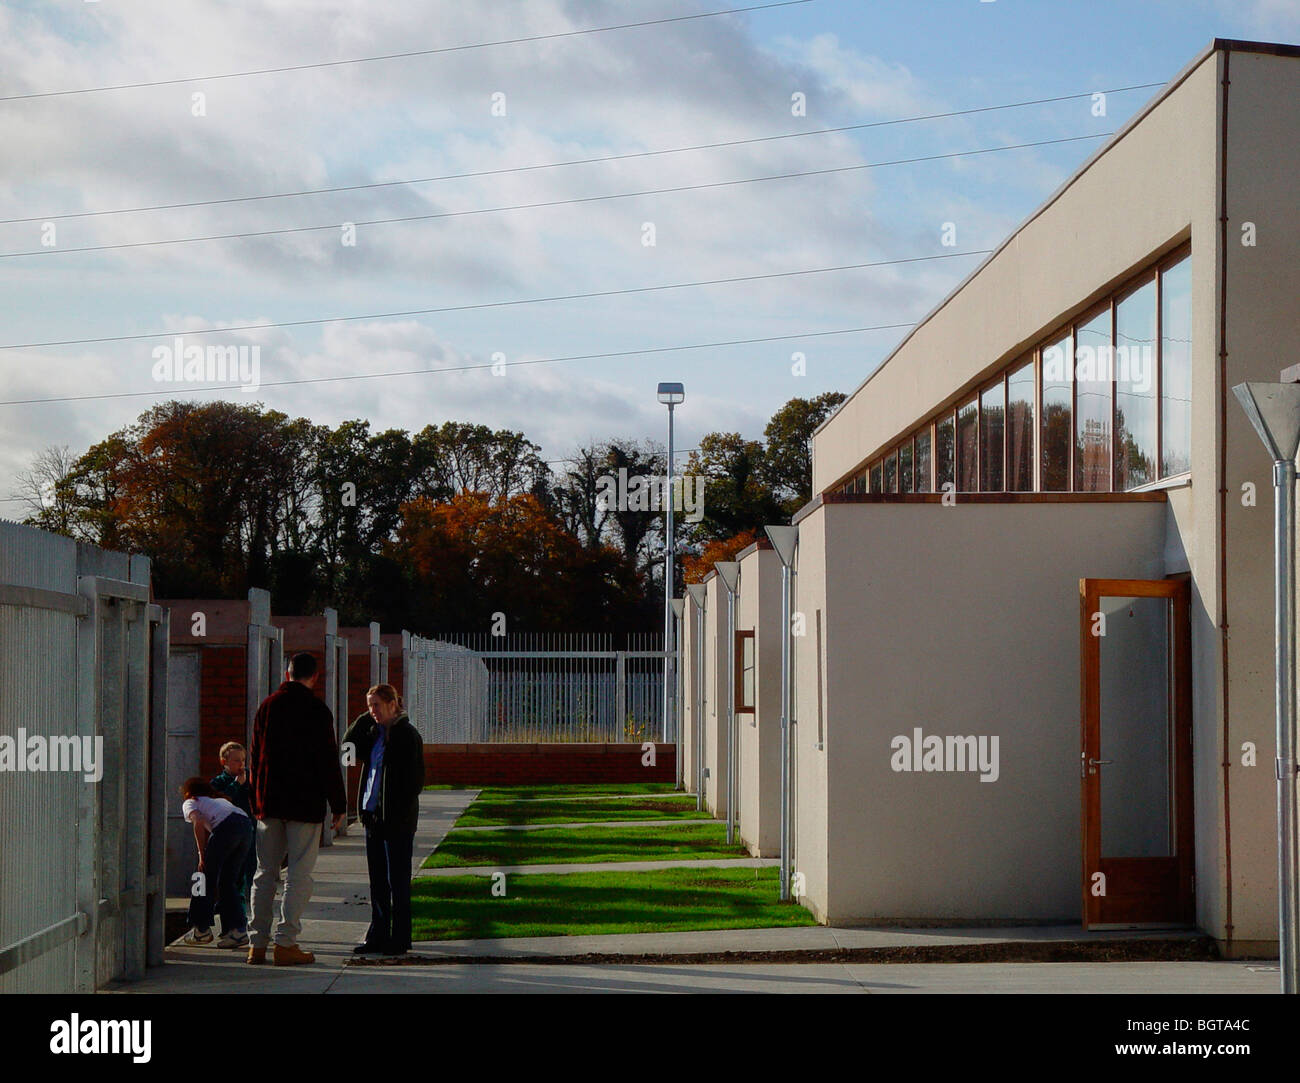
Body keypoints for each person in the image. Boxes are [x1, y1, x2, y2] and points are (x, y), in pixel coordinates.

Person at [247, 652, 346, 967]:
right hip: (304, 802)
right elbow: (328, 761)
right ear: (315, 677)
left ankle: (256, 944)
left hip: (269, 802)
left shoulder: (267, 706)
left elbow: (254, 756)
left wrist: (255, 799)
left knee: (264, 873)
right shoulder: (317, 710)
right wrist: (339, 804)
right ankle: (286, 942)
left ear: (287, 673)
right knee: (299, 874)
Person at [342, 683, 425, 956]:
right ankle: (377, 934)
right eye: (369, 706)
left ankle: (400, 938)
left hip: (397, 821)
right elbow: (347, 750)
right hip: (373, 816)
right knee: (377, 881)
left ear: (392, 704)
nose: (373, 711)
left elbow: (414, 782)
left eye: (377, 705)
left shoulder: (407, 735)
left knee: (397, 880)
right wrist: (366, 717)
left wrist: (395, 811)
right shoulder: (373, 734)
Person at [179, 777, 255, 950]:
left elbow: (197, 822)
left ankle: (201, 929)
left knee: (202, 878)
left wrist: (201, 853)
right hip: (245, 826)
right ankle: (236, 931)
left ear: (189, 793)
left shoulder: (191, 802)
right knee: (227, 882)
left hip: (226, 828)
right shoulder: (218, 801)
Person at [210, 741, 256, 919]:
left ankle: (246, 916)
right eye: (236, 760)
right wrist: (236, 785)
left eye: (243, 760)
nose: (241, 765)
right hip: (228, 837)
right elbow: (220, 804)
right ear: (224, 762)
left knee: (250, 874)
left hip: (249, 835)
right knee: (230, 877)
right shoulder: (218, 782)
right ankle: (229, 914)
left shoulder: (249, 779)